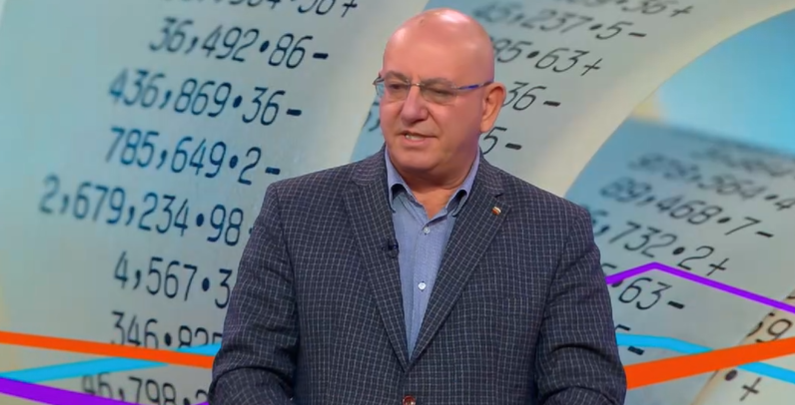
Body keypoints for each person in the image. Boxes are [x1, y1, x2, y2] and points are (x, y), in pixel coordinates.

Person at [208, 7, 626, 405]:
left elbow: (588, 388)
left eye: (438, 92)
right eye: (395, 87)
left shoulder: (555, 230)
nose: (410, 110)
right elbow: (245, 372)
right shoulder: (296, 211)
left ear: (488, 106)